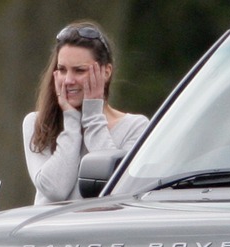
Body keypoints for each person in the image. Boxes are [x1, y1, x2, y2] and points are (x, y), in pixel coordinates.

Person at [23, 20, 150, 205]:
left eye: (79, 70)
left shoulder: (135, 127)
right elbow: (55, 189)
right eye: (62, 69)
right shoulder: (37, 122)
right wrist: (72, 121)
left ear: (106, 72)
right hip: (49, 232)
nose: (68, 80)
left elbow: (115, 188)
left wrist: (92, 117)